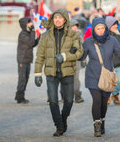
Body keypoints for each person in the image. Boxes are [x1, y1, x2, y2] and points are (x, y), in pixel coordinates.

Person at [34, 9, 83, 137]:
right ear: (52, 19)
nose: (57, 20)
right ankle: (59, 126)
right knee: (53, 101)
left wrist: (65, 57)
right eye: (55, 17)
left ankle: (63, 118)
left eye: (60, 18)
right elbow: (39, 56)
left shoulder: (73, 35)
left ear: (65, 19)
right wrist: (37, 74)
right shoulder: (45, 36)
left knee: (69, 101)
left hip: (67, 72)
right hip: (51, 73)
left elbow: (79, 52)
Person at [81, 18, 120, 137]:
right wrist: (75, 51)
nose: (100, 31)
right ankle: (97, 125)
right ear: (94, 29)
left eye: (102, 28)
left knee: (104, 102)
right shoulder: (88, 41)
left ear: (105, 28)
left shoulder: (112, 40)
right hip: (92, 75)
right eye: (98, 28)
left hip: (107, 76)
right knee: (97, 100)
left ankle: (102, 120)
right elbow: (81, 56)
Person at [105, 16, 120, 105]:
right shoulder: (105, 35)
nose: (115, 26)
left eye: (116, 24)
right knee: (107, 82)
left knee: (119, 82)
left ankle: (115, 94)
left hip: (119, 62)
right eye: (113, 25)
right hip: (107, 63)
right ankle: (107, 96)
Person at [15, 17, 38, 104]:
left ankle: (21, 95)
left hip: (27, 59)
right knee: (22, 79)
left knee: (26, 78)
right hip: (22, 60)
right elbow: (31, 43)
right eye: (29, 23)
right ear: (25, 25)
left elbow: (32, 44)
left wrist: (39, 39)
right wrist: (33, 32)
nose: (31, 24)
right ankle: (19, 97)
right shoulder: (23, 34)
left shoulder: (28, 34)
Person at [70, 19, 85, 103]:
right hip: (67, 60)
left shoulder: (79, 35)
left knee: (76, 79)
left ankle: (77, 96)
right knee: (66, 79)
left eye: (76, 26)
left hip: (76, 60)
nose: (75, 28)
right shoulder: (65, 35)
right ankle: (65, 96)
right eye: (73, 26)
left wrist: (83, 60)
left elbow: (82, 48)